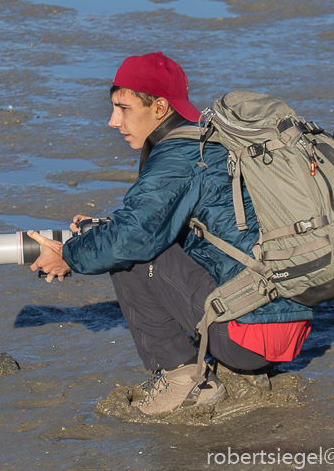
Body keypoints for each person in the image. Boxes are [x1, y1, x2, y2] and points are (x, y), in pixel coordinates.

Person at [28, 52, 312, 415]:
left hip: (248, 338)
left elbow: (131, 240)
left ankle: (184, 380)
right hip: (288, 324)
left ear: (160, 107)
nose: (113, 121)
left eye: (123, 108)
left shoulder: (178, 156)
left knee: (128, 254)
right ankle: (236, 367)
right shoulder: (214, 140)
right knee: (129, 237)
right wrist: (107, 231)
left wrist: (69, 255)